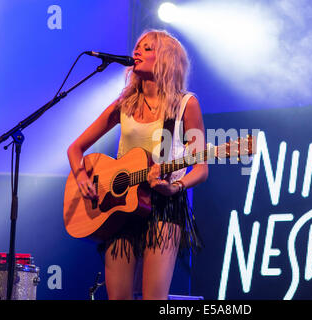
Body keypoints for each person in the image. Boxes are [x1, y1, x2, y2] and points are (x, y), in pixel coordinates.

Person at [67, 29, 208, 300]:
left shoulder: (185, 105)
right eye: (138, 47)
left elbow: (201, 169)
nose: (137, 52)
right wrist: (83, 178)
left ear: (166, 59)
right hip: (121, 206)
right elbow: (75, 148)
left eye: (147, 48)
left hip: (164, 206)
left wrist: (175, 187)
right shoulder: (124, 104)